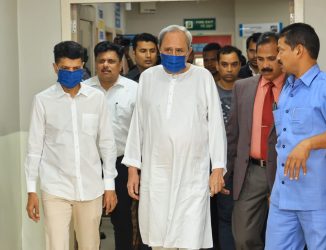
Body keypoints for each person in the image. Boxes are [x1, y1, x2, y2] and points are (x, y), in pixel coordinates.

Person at [122, 24, 227, 250]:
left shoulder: (203, 77)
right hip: (156, 174)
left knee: (189, 238)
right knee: (159, 238)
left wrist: (217, 168)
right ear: (159, 49)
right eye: (168, 50)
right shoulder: (148, 78)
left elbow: (216, 126)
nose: (173, 55)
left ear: (190, 51)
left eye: (179, 51)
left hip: (192, 175)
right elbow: (138, 124)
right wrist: (133, 169)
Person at [25, 41, 117, 250]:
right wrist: (31, 190)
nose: (71, 73)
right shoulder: (42, 101)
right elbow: (34, 148)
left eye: (76, 68)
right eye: (65, 68)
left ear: (83, 66)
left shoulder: (96, 98)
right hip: (55, 188)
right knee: (56, 245)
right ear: (55, 68)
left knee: (90, 245)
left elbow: (107, 143)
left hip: (91, 188)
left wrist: (109, 185)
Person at [265, 23, 326, 250]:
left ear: (299, 50)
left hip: (319, 197)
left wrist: (308, 144)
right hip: (284, 196)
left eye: (281, 50)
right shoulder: (287, 88)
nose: (278, 56)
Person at [226, 32, 285, 250]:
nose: (266, 65)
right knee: (243, 238)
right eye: (261, 59)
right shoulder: (243, 88)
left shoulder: (294, 87)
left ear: (282, 55)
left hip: (284, 171)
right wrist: (226, 172)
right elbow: (233, 134)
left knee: (285, 237)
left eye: (271, 59)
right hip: (251, 172)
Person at [83, 41, 138, 250]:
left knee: (122, 221)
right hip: (90, 165)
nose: (106, 65)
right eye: (101, 61)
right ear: (95, 63)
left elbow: (140, 132)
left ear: (121, 63)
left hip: (122, 164)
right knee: (88, 221)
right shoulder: (83, 90)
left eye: (111, 61)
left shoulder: (134, 90)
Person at [215, 45, 243, 250]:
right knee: (216, 217)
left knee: (235, 217)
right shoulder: (209, 89)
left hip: (241, 163)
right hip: (213, 163)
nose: (229, 69)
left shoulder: (248, 89)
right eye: (224, 64)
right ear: (217, 65)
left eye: (234, 64)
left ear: (239, 65)